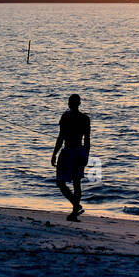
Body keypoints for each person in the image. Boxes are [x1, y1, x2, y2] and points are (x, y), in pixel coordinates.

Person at [52, 93, 90, 221]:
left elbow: (87, 140)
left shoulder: (83, 118)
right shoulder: (66, 117)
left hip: (75, 151)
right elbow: (61, 137)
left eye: (71, 102)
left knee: (74, 182)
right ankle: (75, 205)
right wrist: (55, 153)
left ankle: (75, 210)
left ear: (76, 104)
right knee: (63, 182)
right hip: (70, 151)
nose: (70, 104)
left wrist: (86, 155)